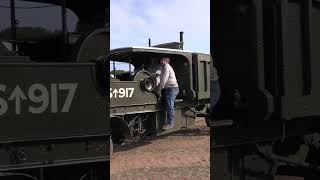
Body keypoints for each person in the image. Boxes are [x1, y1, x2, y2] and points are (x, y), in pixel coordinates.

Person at [156, 57, 179, 129]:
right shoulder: (163, 68)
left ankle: (170, 124)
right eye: (160, 60)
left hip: (172, 89)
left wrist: (159, 90)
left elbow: (164, 79)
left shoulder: (167, 67)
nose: (160, 61)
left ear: (166, 61)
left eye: (162, 60)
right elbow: (159, 76)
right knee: (165, 105)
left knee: (169, 106)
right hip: (168, 89)